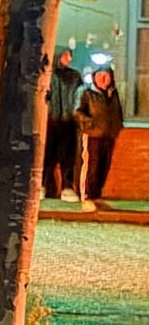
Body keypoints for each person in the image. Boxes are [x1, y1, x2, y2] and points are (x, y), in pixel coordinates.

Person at [75, 66, 123, 209]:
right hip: (92, 135)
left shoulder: (113, 94)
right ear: (94, 77)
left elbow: (117, 112)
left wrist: (117, 126)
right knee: (91, 166)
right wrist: (90, 124)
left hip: (108, 136)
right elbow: (77, 112)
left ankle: (96, 196)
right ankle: (86, 197)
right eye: (100, 75)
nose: (103, 79)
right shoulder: (87, 92)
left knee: (103, 167)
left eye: (106, 76)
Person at [43, 48, 84, 201]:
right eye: (66, 55)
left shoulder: (74, 76)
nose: (69, 59)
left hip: (68, 123)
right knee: (48, 157)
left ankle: (67, 187)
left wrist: (76, 114)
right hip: (51, 122)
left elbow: (80, 96)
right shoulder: (48, 75)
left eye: (70, 56)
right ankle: (45, 186)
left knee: (68, 157)